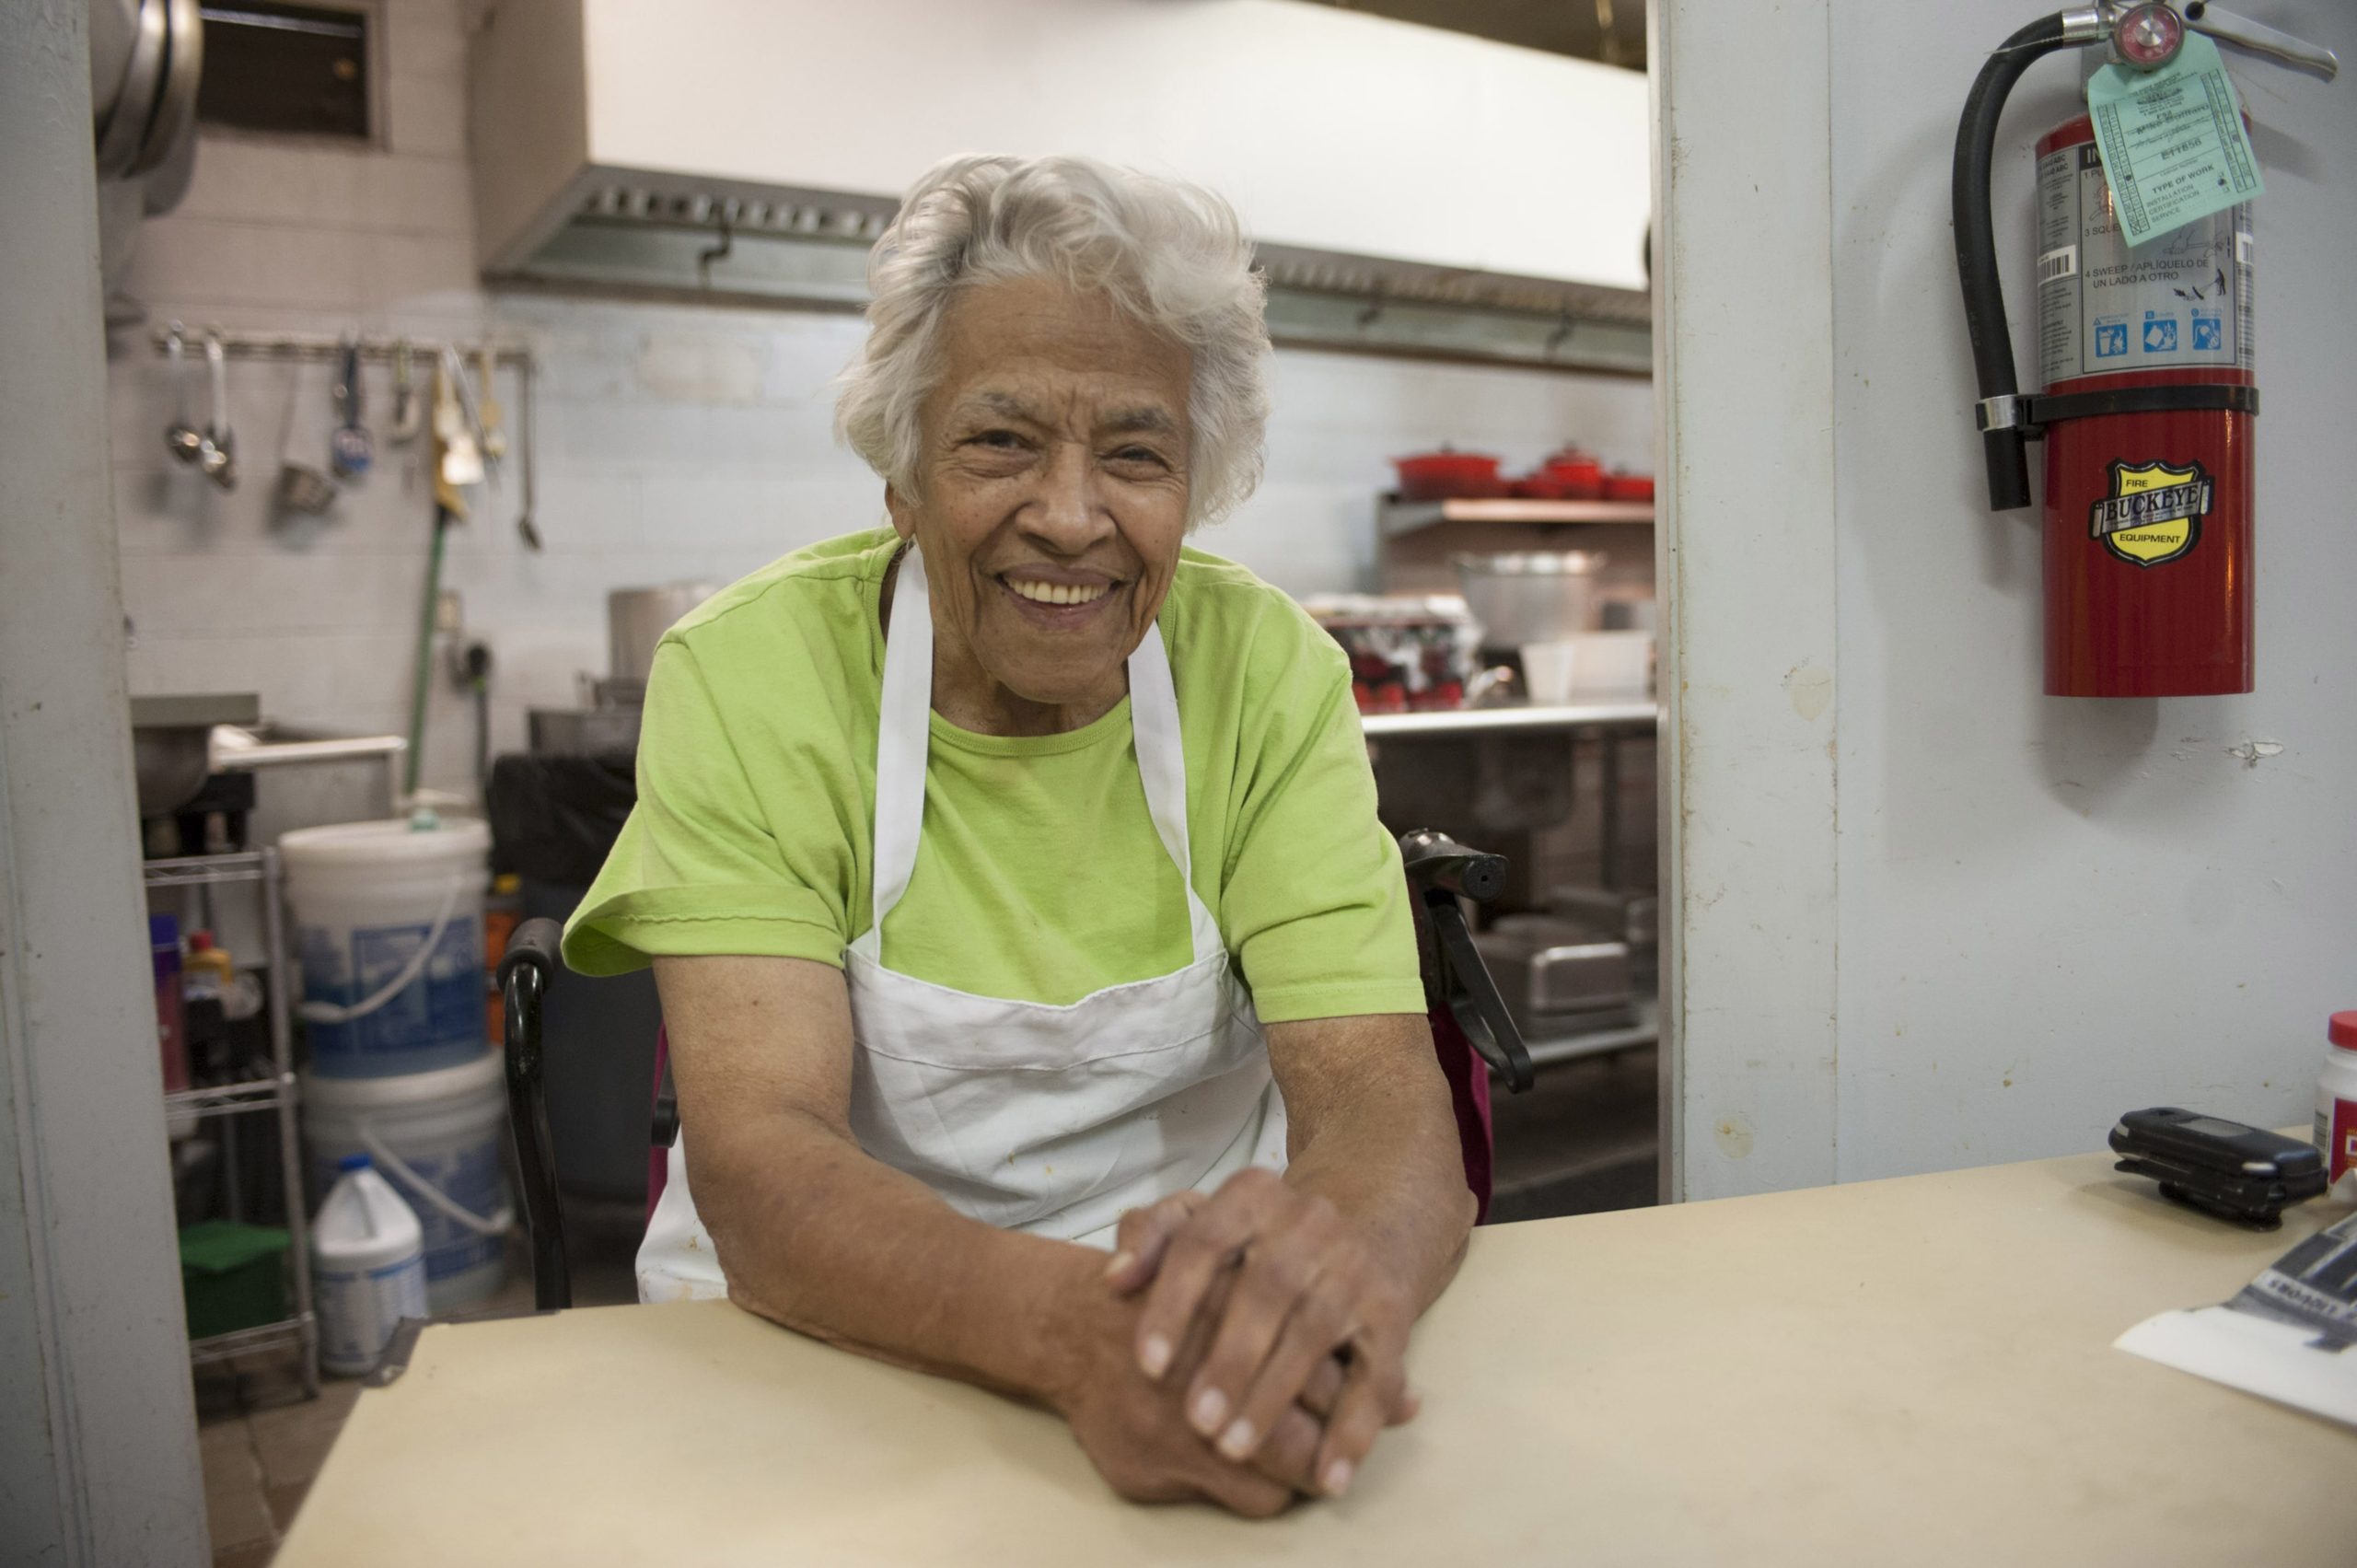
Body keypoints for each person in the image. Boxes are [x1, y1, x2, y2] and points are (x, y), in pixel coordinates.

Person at [563, 154, 1473, 1516]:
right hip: (822, 1353)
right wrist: (1073, 1335)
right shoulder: (750, 679)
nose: (1069, 513)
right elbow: (762, 1156)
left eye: (1135, 452)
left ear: (1194, 484)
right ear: (904, 474)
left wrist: (1308, 1301)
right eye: (1000, 441)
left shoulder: (1267, 675)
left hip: (1192, 1358)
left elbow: (1381, 1106)